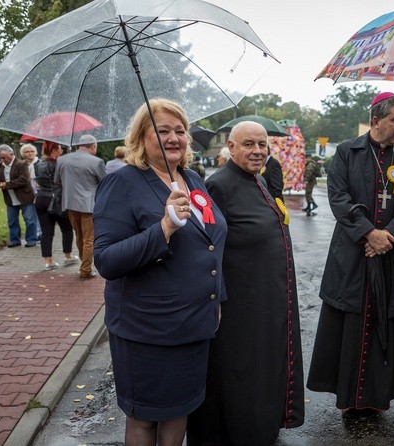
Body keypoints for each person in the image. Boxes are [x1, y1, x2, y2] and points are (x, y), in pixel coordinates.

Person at [94, 99, 227, 446]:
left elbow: (211, 243)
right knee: (145, 417)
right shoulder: (122, 183)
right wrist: (164, 227)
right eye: (163, 130)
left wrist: (217, 297)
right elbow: (106, 260)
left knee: (179, 410)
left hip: (195, 323)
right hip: (148, 328)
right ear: (141, 136)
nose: (174, 137)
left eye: (180, 131)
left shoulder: (193, 178)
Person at [306, 92, 394, 421]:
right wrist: (368, 233)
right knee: (353, 323)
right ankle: (350, 399)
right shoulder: (347, 152)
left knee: (384, 321)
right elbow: (338, 196)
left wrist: (388, 235)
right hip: (354, 254)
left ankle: (377, 398)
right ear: (376, 121)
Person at [187, 121, 304, 446]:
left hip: (264, 297)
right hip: (238, 302)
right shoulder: (219, 185)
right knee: (238, 372)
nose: (257, 151)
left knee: (261, 368)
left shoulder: (260, 179)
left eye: (262, 144)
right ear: (232, 147)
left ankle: (260, 427)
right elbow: (205, 246)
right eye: (249, 144)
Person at [54, 134, 106, 279]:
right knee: (89, 238)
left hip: (70, 203)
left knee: (79, 236)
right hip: (89, 205)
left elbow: (56, 181)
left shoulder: (62, 159)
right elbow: (105, 183)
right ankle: (86, 269)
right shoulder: (97, 162)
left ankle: (85, 265)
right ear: (93, 146)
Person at [34, 141, 79, 271]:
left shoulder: (38, 165)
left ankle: (48, 261)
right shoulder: (60, 165)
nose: (62, 151)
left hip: (41, 199)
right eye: (59, 149)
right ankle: (68, 256)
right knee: (67, 229)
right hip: (58, 200)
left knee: (47, 232)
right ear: (53, 150)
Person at [0, 144, 39, 248]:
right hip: (10, 198)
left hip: (25, 197)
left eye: (4, 157)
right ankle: (14, 240)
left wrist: (7, 184)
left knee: (29, 220)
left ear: (11, 154)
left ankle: (31, 240)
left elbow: (24, 180)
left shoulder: (21, 164)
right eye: (1, 158)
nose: (2, 160)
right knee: (12, 221)